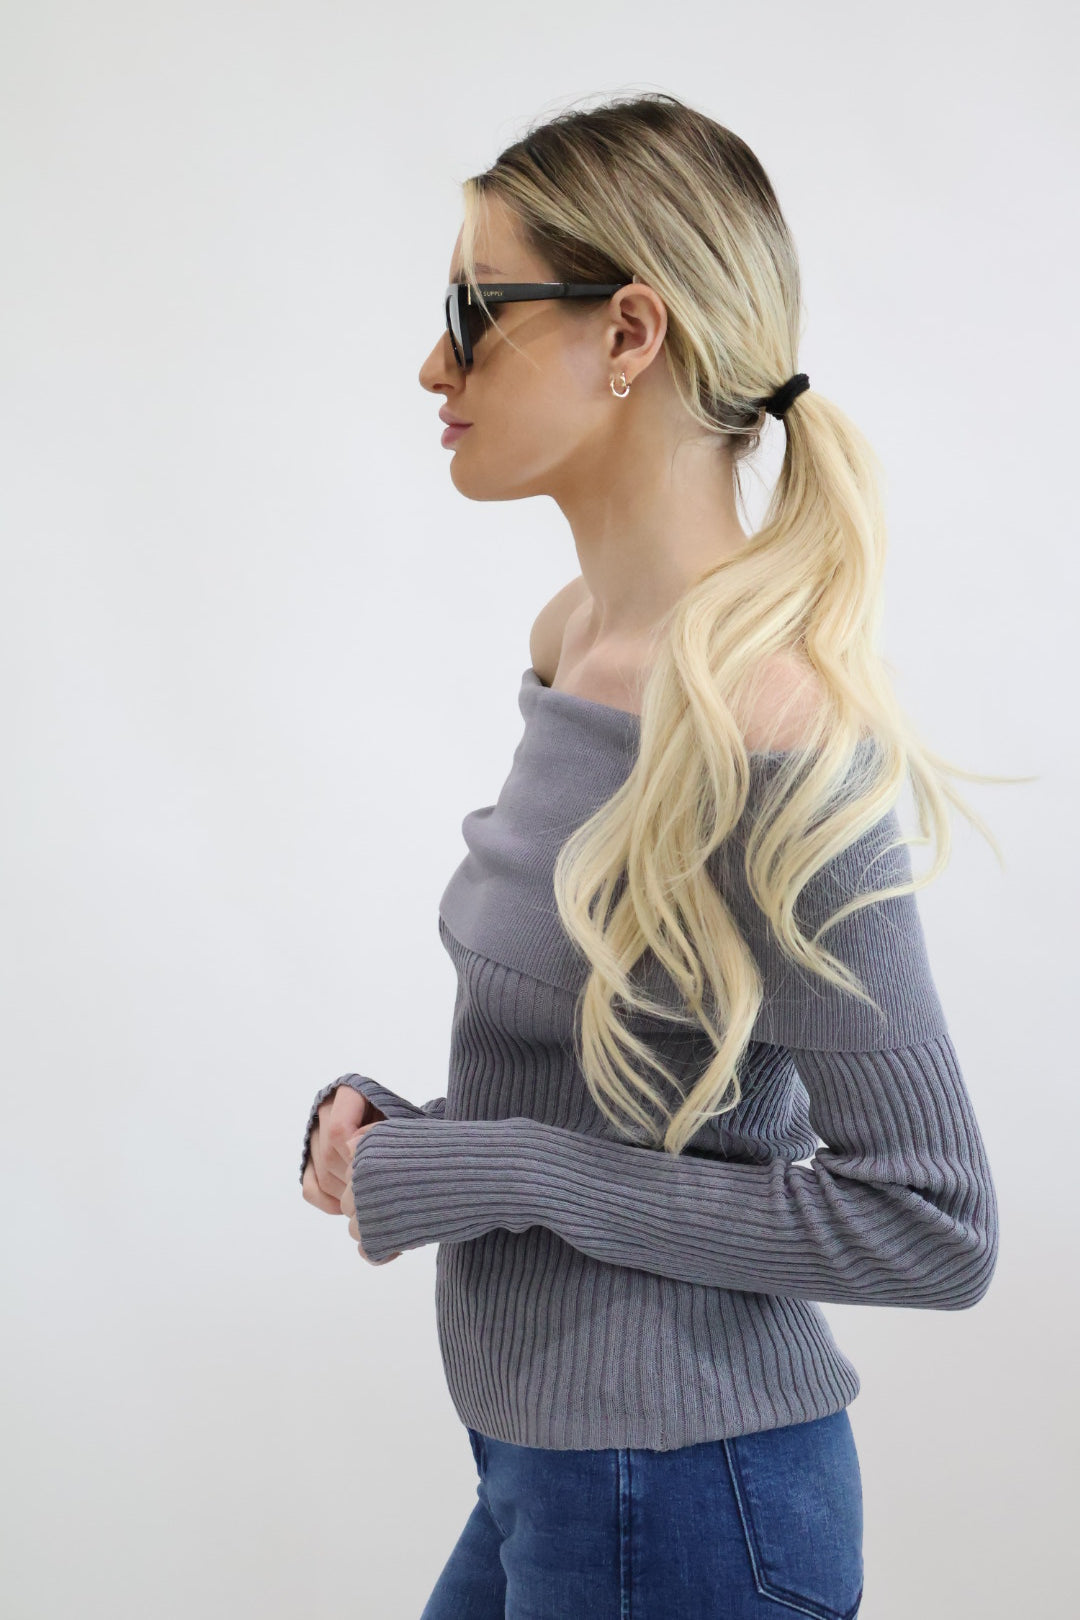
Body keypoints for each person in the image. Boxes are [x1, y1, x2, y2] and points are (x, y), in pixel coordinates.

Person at [300, 92, 1006, 1619]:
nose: (433, 365)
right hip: (550, 1469)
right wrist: (419, 1137)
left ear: (630, 333)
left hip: (686, 1500)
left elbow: (933, 1226)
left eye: (473, 312)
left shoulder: (771, 718)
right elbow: (621, 1093)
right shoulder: (574, 642)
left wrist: (502, 1170)